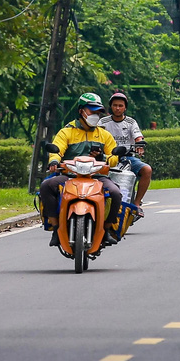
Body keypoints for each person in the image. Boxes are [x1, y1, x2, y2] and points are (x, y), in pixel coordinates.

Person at [38, 92, 124, 247]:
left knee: (116, 193)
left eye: (98, 113)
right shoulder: (66, 132)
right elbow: (56, 150)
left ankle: (106, 229)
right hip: (70, 176)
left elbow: (113, 156)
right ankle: (56, 227)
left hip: (97, 177)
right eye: (92, 111)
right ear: (81, 111)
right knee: (46, 186)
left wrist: (105, 158)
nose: (95, 115)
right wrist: (54, 160)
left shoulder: (104, 134)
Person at [102, 92, 152, 217]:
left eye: (120, 105)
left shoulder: (131, 122)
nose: (117, 108)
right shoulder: (103, 122)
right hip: (107, 158)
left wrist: (139, 145)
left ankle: (136, 203)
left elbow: (138, 137)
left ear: (125, 108)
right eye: (115, 105)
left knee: (147, 170)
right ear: (110, 107)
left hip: (127, 158)